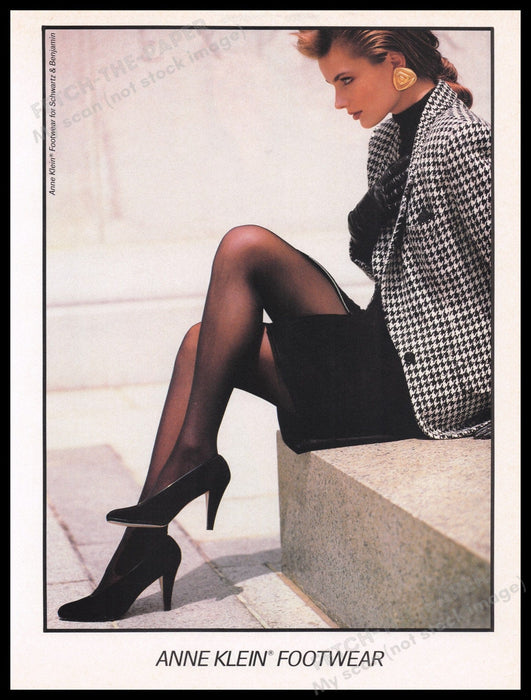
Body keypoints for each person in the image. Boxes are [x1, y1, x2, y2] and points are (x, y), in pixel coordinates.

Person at [57, 28, 491, 622]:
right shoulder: (390, 138)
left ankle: (167, 503)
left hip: (425, 383)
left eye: (346, 80)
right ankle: (162, 511)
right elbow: (399, 268)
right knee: (239, 257)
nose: (339, 101)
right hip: (388, 338)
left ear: (393, 62)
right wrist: (373, 221)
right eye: (332, 84)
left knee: (212, 320)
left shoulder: (462, 141)